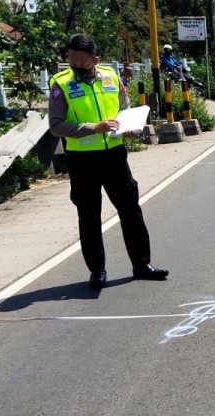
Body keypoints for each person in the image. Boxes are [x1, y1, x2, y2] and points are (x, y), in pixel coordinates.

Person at [48, 33, 168, 289]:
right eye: (72, 62)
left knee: (130, 209)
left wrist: (127, 126)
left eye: (82, 63)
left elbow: (124, 109)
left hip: (114, 156)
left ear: (95, 59)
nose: (76, 68)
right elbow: (56, 126)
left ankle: (142, 264)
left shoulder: (113, 78)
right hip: (82, 160)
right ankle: (97, 270)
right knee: (89, 215)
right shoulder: (60, 84)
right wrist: (94, 128)